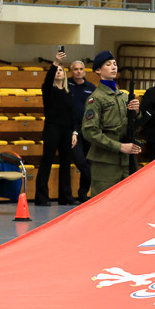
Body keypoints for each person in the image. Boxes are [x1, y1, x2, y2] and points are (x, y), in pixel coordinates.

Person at [81, 51, 141, 196]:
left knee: (127, 204)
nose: (113, 67)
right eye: (108, 65)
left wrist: (137, 112)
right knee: (103, 204)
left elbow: (132, 125)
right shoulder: (96, 99)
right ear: (98, 70)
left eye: (114, 64)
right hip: (105, 162)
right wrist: (120, 147)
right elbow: (90, 131)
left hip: (126, 161)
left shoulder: (123, 96)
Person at [35, 51, 77, 206]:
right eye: (56, 70)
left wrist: (74, 132)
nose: (58, 72)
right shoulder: (48, 90)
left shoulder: (68, 93)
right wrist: (55, 63)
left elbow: (72, 114)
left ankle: (65, 197)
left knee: (66, 162)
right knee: (47, 161)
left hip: (67, 130)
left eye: (61, 70)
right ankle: (41, 197)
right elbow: (47, 81)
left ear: (65, 74)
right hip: (52, 129)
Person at [67, 59, 95, 202]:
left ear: (84, 71)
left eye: (81, 69)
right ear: (71, 71)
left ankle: (83, 193)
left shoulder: (91, 87)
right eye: (75, 69)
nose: (78, 71)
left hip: (88, 129)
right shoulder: (66, 85)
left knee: (89, 161)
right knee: (81, 162)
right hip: (72, 129)